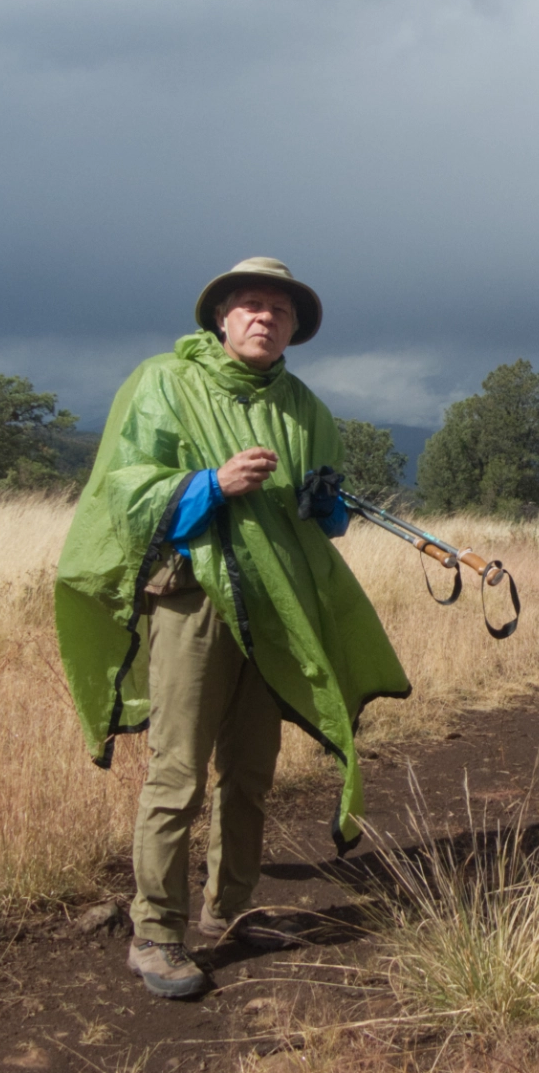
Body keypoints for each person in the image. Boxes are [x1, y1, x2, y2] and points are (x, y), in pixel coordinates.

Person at [55, 258, 411, 998]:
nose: (264, 317)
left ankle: (229, 909)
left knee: (250, 771)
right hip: (193, 602)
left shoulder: (304, 407)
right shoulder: (164, 383)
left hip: (276, 611)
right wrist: (209, 485)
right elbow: (123, 491)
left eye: (279, 310)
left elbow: (325, 518)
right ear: (220, 318)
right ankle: (155, 931)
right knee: (178, 771)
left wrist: (328, 503)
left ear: (293, 330)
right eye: (249, 305)